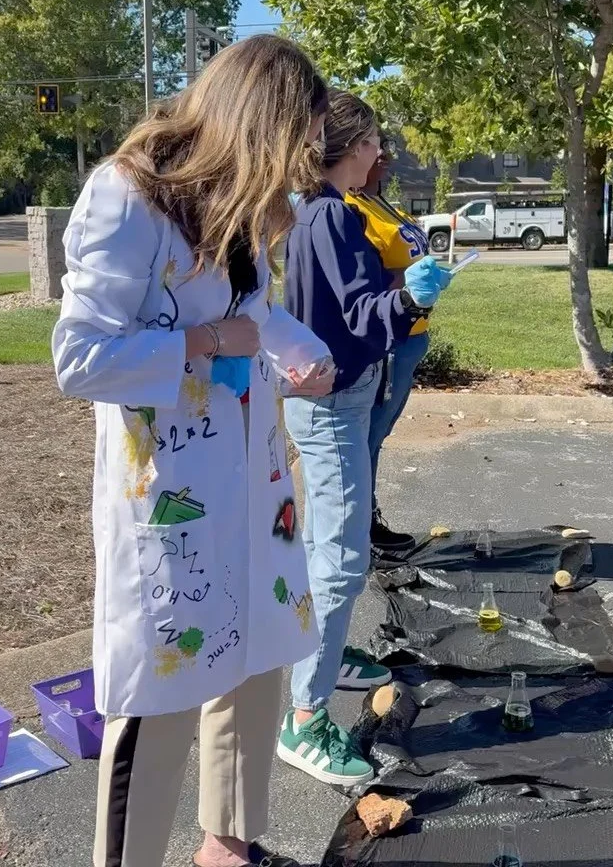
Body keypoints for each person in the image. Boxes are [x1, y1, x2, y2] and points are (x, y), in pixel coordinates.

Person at [52, 35, 333, 867]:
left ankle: (228, 846)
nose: (293, 173)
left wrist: (299, 349)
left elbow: (254, 312)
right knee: (163, 690)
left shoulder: (238, 203)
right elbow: (80, 360)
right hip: (173, 491)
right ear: (257, 124)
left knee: (256, 666)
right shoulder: (127, 195)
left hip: (253, 481)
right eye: (290, 148)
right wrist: (208, 342)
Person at [278, 90, 450, 786]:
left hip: (334, 397)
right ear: (349, 146)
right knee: (342, 560)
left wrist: (406, 291)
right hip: (330, 407)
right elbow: (356, 314)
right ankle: (303, 720)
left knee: (325, 547)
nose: (382, 152)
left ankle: (324, 653)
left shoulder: (330, 213)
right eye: (375, 141)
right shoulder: (329, 217)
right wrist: (411, 297)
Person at [347, 135, 432, 551]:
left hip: (411, 336)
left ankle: (365, 518)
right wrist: (407, 284)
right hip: (388, 339)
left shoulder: (380, 202)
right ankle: (362, 526)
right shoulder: (350, 207)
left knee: (379, 433)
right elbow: (360, 283)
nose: (385, 162)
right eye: (377, 155)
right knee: (369, 434)